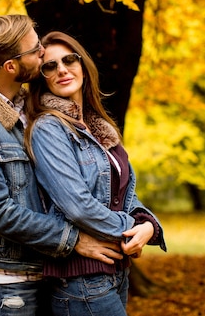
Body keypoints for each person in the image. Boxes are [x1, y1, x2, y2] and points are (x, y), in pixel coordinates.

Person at [0, 15, 123, 316]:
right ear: (11, 66)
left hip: (55, 270)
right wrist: (74, 240)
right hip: (12, 280)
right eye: (35, 49)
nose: (43, 52)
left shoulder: (32, 107)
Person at [24, 31, 167, 316]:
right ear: (42, 78)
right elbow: (77, 206)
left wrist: (149, 226)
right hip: (80, 279)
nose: (62, 69)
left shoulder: (99, 127)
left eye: (69, 60)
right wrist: (128, 230)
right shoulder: (48, 128)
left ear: (83, 66)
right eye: (50, 66)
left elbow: (126, 193)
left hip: (115, 270)